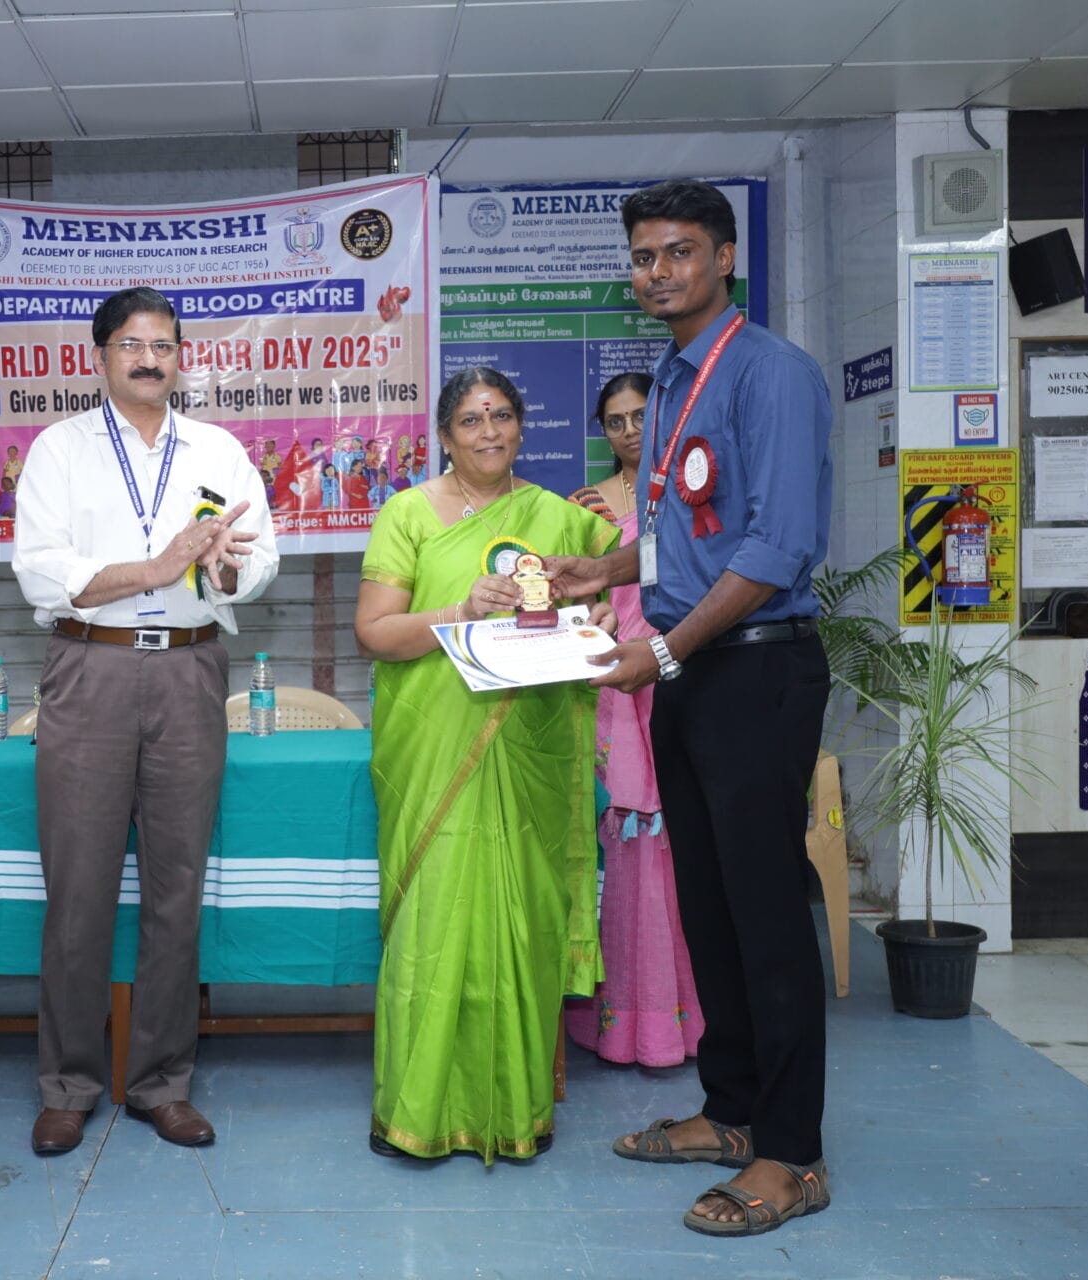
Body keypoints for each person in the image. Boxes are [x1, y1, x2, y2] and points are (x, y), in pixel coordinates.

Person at [548, 180, 833, 1236]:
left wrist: (664, 646)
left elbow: (776, 546)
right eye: (643, 256)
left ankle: (793, 1153)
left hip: (756, 668)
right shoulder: (671, 379)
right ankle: (732, 1110)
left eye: (677, 251)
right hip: (689, 671)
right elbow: (683, 533)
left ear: (723, 259)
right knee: (708, 907)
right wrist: (605, 570)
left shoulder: (771, 372)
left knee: (766, 915)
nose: (657, 271)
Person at [12, 286, 278, 1157]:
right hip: (91, 667)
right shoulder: (59, 449)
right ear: (99, 357)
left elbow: (258, 563)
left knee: (176, 888)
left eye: (164, 345)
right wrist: (160, 565)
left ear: (181, 358)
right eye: (131, 344)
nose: (149, 359)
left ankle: (163, 1083)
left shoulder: (219, 450)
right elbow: (43, 572)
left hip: (191, 669)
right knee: (78, 889)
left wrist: (223, 569)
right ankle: (67, 1085)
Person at [354, 366, 618, 1163]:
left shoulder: (560, 519)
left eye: (502, 414)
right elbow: (375, 632)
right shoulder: (407, 514)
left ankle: (514, 1110)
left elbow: (603, 599)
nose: (489, 430)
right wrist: (458, 612)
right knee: (432, 927)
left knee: (522, 923)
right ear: (444, 435)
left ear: (521, 427)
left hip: (531, 745)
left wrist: (603, 615)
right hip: (434, 746)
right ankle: (417, 1112)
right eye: (471, 419)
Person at [565, 372, 705, 1069]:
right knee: (617, 847)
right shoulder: (585, 507)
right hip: (612, 689)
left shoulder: (691, 492)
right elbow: (568, 598)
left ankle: (678, 1019)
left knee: (677, 851)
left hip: (678, 675)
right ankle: (616, 1022)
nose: (628, 431)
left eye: (639, 416)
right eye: (614, 421)